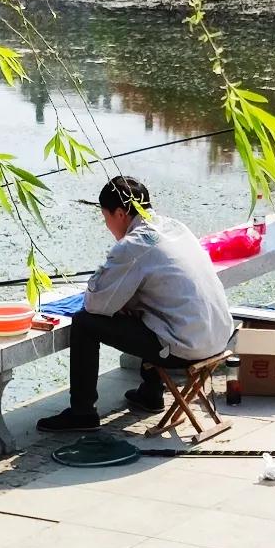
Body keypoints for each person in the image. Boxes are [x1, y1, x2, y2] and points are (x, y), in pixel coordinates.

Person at [37, 176, 235, 433]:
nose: (106, 224)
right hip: (219, 336)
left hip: (185, 348)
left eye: (105, 216)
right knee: (145, 304)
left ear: (119, 213)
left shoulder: (133, 246)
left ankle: (82, 411)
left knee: (85, 323)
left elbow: (96, 304)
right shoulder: (176, 227)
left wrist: (104, 281)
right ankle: (151, 392)